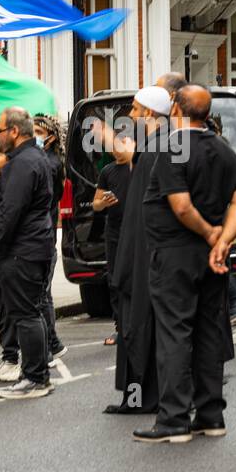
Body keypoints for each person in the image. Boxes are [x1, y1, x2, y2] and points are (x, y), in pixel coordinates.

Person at [133, 85, 236, 444]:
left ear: (177, 111)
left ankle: (174, 419)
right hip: (213, 259)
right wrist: (224, 240)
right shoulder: (224, 149)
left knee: (175, 334)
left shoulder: (172, 146)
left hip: (175, 254)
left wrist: (209, 233)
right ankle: (211, 416)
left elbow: (181, 206)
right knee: (209, 332)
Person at [105, 84, 174, 415]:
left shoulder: (158, 149)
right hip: (141, 250)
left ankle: (143, 398)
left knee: (141, 325)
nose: (130, 116)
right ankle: (140, 397)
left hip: (146, 253)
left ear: (148, 114)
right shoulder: (155, 148)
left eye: (134, 110)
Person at [0, 106, 57, 400]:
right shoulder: (31, 158)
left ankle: (34, 378)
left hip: (22, 250)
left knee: (26, 314)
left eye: (0, 130)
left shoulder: (22, 164)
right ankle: (38, 374)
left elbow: (10, 210)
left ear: (14, 131)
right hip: (35, 245)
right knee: (34, 310)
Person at [92, 134, 134, 348]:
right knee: (115, 279)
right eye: (112, 147)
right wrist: (103, 202)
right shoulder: (107, 172)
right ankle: (120, 327)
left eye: (120, 146)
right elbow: (95, 205)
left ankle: (138, 325)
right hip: (114, 231)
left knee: (136, 278)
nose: (116, 151)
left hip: (136, 231)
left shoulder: (137, 167)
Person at [33, 113, 67, 363]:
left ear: (50, 136)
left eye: (38, 131)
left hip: (43, 235)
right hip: (44, 233)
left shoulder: (50, 163)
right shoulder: (44, 160)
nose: (34, 135)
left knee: (41, 293)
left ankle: (49, 345)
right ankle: (52, 342)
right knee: (44, 292)